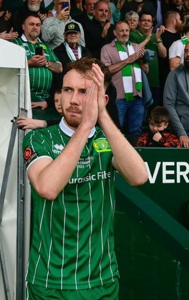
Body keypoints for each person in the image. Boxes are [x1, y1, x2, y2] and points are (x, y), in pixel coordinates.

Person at [23, 57, 147, 299]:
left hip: (101, 279)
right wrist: (85, 127)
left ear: (102, 99)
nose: (74, 99)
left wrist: (101, 117)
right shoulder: (39, 138)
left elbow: (139, 176)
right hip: (50, 281)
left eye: (84, 92)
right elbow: (47, 188)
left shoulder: (106, 140)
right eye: (68, 90)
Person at [101, 21, 147, 139]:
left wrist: (143, 60)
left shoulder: (136, 47)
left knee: (136, 131)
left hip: (137, 97)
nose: (124, 33)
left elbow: (146, 70)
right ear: (115, 32)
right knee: (116, 130)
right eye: (121, 30)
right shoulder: (107, 48)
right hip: (118, 98)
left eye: (127, 30)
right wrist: (129, 60)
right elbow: (105, 71)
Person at [13, 14, 63, 120]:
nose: (35, 27)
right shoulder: (15, 44)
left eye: (38, 25)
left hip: (45, 98)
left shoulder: (46, 47)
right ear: (23, 27)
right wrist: (29, 62)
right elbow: (8, 66)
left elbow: (59, 68)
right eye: (31, 24)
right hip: (23, 96)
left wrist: (46, 63)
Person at [129, 12, 167, 108]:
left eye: (149, 21)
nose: (146, 22)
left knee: (154, 111)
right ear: (139, 23)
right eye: (144, 20)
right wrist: (147, 39)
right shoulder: (133, 34)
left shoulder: (156, 35)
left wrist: (158, 39)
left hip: (155, 80)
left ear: (152, 24)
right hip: (139, 80)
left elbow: (164, 54)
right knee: (141, 112)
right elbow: (133, 52)